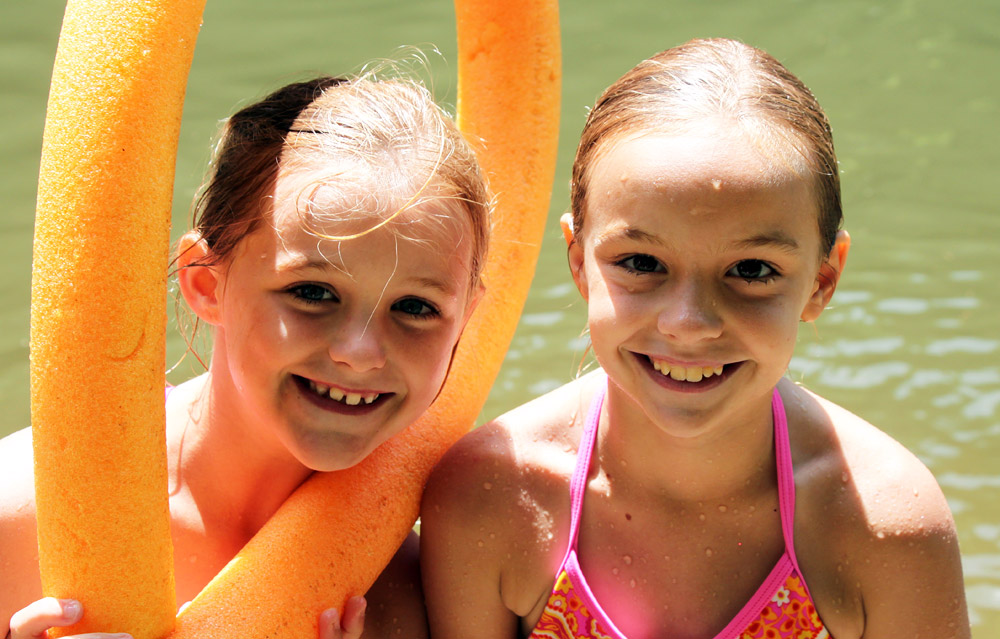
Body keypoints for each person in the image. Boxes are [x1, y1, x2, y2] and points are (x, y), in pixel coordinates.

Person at [421, 38, 970, 639]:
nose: (689, 322)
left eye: (753, 271)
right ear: (578, 260)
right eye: (640, 262)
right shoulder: (492, 498)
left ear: (823, 280)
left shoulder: (885, 525)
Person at [1, 73, 490, 639]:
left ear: (466, 321)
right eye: (312, 293)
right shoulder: (30, 515)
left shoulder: (413, 576)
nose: (359, 353)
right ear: (206, 283)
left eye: (415, 307)